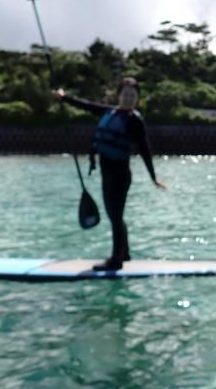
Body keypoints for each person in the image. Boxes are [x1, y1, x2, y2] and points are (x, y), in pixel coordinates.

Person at [54, 77, 166, 270]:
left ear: (137, 98)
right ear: (119, 95)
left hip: (120, 174)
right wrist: (65, 98)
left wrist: (152, 176)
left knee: (115, 215)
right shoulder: (109, 111)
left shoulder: (134, 121)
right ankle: (125, 253)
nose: (129, 98)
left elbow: (145, 149)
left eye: (133, 95)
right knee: (116, 215)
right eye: (126, 94)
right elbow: (87, 106)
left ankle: (116, 260)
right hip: (107, 173)